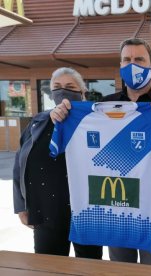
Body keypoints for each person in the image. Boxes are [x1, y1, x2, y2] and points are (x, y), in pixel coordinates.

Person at [51, 38, 151, 266]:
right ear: (120, 65)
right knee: (120, 265)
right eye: (126, 60)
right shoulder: (102, 106)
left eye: (139, 59)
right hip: (112, 202)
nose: (132, 64)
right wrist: (60, 116)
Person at [13, 67, 103, 259]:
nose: (63, 91)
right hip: (47, 212)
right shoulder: (38, 123)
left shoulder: (97, 122)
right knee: (48, 267)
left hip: (88, 212)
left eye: (70, 86)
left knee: (90, 267)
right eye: (57, 87)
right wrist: (21, 205)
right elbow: (20, 164)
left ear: (82, 91)